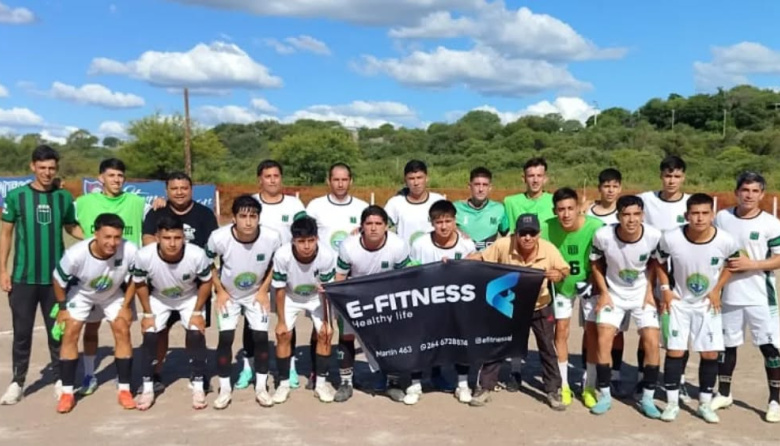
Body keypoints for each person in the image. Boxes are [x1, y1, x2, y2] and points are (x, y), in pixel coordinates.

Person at [0, 145, 83, 405]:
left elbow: (71, 227)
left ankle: (61, 379)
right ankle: (17, 382)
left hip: (56, 281)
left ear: (56, 169)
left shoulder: (63, 197)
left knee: (57, 332)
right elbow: (6, 234)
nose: (47, 172)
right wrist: (3, 270)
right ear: (32, 167)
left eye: (51, 168)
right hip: (23, 278)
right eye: (42, 167)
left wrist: (93, 239)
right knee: (22, 333)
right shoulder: (17, 196)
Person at [467, 213, 569, 410]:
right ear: (516, 233)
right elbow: (481, 258)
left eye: (532, 233)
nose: (527, 238)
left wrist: (558, 274)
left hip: (539, 305)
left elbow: (564, 269)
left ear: (539, 233)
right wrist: (455, 264)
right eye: (523, 233)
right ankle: (485, 386)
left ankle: (553, 389)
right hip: (509, 304)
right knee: (496, 344)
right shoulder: (503, 245)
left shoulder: (548, 249)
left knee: (547, 347)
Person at [656, 193, 739, 423]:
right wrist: (665, 288)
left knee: (710, 353)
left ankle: (704, 404)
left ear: (712, 215)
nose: (700, 218)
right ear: (687, 215)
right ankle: (672, 404)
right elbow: (659, 262)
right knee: (675, 351)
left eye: (704, 213)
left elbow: (732, 264)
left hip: (707, 304)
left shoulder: (725, 240)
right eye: (695, 213)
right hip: (678, 303)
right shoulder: (671, 238)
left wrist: (717, 289)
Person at [74, 158, 151, 396]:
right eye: (111, 175)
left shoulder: (137, 202)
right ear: (101, 178)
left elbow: (156, 218)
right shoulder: (84, 202)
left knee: (122, 327)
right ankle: (89, 374)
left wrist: (160, 203)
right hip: (94, 274)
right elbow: (68, 223)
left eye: (120, 176)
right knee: (91, 328)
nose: (116, 180)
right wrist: (86, 240)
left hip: (124, 276)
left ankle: (122, 376)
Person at [52, 214, 138, 413]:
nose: (112, 242)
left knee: (122, 329)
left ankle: (124, 390)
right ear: (96, 234)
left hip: (113, 294)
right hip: (81, 294)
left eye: (117, 237)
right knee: (71, 331)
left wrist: (126, 306)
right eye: (107, 236)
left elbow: (136, 279)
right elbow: (58, 280)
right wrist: (63, 309)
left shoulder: (130, 250)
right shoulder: (75, 254)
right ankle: (67, 393)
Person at [712, 172, 780, 422]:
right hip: (729, 295)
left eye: (754, 191)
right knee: (726, 346)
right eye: (745, 190)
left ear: (762, 195)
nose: (749, 195)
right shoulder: (722, 217)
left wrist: (752, 264)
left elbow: (779, 259)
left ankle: (775, 401)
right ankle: (724, 393)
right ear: (736, 192)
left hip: (760, 297)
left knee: (770, 348)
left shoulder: (771, 224)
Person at [142, 172, 218, 392]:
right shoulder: (157, 211)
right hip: (161, 284)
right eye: (174, 188)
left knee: (195, 332)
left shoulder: (204, 214)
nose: (179, 192)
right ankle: (156, 373)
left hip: (194, 284)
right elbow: (147, 241)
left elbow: (211, 247)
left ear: (191, 190)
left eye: (184, 188)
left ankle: (198, 374)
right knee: (159, 332)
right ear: (166, 191)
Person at [588, 196, 663, 418]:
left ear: (642, 215)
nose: (631, 220)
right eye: (626, 215)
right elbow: (595, 263)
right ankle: (605, 395)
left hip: (641, 294)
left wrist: (650, 290)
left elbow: (655, 263)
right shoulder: (603, 235)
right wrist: (604, 292)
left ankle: (647, 397)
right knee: (604, 338)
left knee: (652, 340)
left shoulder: (653, 236)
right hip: (613, 294)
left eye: (636, 214)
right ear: (618, 216)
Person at [206, 196, 280, 409]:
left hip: (256, 293)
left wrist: (264, 290)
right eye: (243, 216)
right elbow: (207, 262)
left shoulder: (272, 237)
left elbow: (277, 263)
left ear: (259, 218)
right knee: (226, 338)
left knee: (261, 338)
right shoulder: (219, 237)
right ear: (234, 218)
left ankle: (261, 388)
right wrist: (219, 290)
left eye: (253, 216)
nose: (248, 222)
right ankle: (225, 389)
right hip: (228, 294)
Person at [133, 216, 213, 411]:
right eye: (167, 238)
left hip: (189, 297)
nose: (172, 243)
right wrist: (147, 314)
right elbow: (139, 284)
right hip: (159, 297)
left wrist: (197, 311)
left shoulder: (196, 254)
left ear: (184, 238)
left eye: (177, 238)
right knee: (150, 334)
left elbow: (206, 282)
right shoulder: (144, 255)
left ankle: (198, 383)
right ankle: (148, 387)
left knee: (195, 332)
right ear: (157, 238)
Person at [334, 205, 411, 402]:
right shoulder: (348, 246)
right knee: (347, 336)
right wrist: (338, 304)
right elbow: (340, 277)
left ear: (386, 226)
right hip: (354, 297)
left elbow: (404, 277)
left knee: (392, 339)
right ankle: (345, 382)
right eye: (369, 224)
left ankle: (393, 382)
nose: (374, 228)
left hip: (387, 296)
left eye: (378, 223)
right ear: (361, 226)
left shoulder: (398, 245)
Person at [305, 162, 368, 389]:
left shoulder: (362, 207)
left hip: (349, 277)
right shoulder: (315, 206)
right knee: (320, 326)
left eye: (344, 179)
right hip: (322, 276)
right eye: (336, 179)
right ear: (328, 181)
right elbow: (306, 236)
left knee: (345, 329)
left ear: (351, 181)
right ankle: (316, 372)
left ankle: (346, 375)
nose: (340, 184)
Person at [407, 200, 476, 405]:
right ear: (431, 223)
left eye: (448, 221)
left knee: (460, 341)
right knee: (420, 342)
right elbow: (413, 273)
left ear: (455, 221)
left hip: (457, 303)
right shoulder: (420, 244)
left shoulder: (467, 244)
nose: (443, 226)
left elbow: (473, 274)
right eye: (438, 222)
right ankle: (415, 384)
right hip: (426, 302)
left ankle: (462, 384)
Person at [542, 187, 604, 408]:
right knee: (561, 331)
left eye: (570, 208)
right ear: (554, 211)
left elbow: (607, 256)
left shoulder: (596, 227)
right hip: (562, 287)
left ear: (579, 208)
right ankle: (564, 384)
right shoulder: (546, 227)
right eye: (561, 209)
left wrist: (595, 283)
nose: (566, 214)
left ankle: (589, 385)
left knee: (592, 332)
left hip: (589, 284)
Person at [249, 159, 307, 389]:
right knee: (254, 321)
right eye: (267, 176)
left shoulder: (294, 204)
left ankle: (289, 366)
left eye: (276, 176)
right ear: (260, 180)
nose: (272, 180)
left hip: (287, 272)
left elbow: (304, 231)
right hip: (258, 272)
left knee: (287, 320)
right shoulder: (251, 203)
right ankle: (250, 367)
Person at [638, 155, 692, 399]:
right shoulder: (646, 200)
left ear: (683, 177)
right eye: (668, 175)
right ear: (661, 176)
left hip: (679, 276)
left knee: (679, 331)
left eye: (677, 176)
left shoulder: (690, 204)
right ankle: (642, 378)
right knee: (647, 329)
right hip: (649, 273)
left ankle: (679, 380)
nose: (672, 180)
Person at [271, 216, 337, 404]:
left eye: (311, 240)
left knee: (325, 334)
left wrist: (327, 322)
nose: (306, 246)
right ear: (293, 240)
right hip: (290, 296)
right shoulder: (282, 255)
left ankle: (321, 384)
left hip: (316, 297)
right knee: (283, 334)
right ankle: (283, 384)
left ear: (317, 239)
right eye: (301, 241)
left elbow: (326, 291)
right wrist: (281, 321)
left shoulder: (327, 255)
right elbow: (279, 290)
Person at [586, 168, 625, 394]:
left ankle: (616, 373)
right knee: (591, 328)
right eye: (606, 186)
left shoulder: (625, 213)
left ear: (620, 188)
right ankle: (589, 371)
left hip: (619, 280)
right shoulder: (588, 211)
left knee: (617, 331)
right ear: (599, 188)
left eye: (614, 186)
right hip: (593, 277)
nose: (610, 190)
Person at [385, 160, 445, 246]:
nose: (416, 183)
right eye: (411, 179)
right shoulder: (395, 203)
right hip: (406, 253)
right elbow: (383, 228)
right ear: (405, 180)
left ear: (427, 178)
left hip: (433, 253)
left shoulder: (438, 201)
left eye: (419, 178)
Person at [454, 167, 509, 252]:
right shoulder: (456, 208)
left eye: (485, 185)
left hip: (488, 259)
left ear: (490, 187)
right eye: (477, 184)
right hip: (464, 259)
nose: (481, 189)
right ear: (469, 186)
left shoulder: (499, 209)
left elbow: (509, 237)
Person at [504, 158, 554, 233]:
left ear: (545, 179)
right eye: (531, 176)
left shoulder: (554, 201)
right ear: (524, 178)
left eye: (539, 176)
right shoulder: (510, 203)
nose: (535, 180)